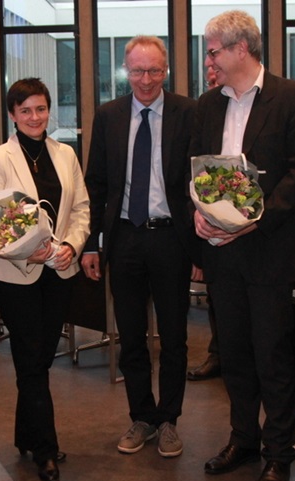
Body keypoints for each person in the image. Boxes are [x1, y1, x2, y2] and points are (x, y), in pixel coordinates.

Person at [190, 10, 295, 481]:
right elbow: (198, 174)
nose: (209, 60)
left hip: (272, 252)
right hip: (223, 255)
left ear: (240, 49)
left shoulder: (294, 97)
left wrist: (253, 220)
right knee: (236, 355)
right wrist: (199, 215)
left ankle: (278, 453)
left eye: (212, 51)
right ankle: (243, 439)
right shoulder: (208, 106)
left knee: (273, 356)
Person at [81, 36, 199, 458]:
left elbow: (200, 183)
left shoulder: (189, 113)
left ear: (166, 71)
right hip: (125, 239)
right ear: (125, 71)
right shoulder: (109, 115)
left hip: (172, 239)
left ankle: (169, 419)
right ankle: (142, 417)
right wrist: (93, 244)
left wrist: (200, 249)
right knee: (130, 336)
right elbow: (95, 184)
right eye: (136, 71)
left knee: (174, 337)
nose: (145, 80)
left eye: (153, 71)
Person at [0, 78, 90, 481]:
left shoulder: (65, 154)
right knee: (30, 358)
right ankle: (45, 449)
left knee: (40, 358)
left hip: (60, 270)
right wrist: (31, 250)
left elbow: (80, 209)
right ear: (12, 114)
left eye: (41, 109)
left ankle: (26, 435)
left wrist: (73, 247)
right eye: (25, 110)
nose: (34, 117)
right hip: (14, 273)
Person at [187, 66, 221, 382]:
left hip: (258, 234)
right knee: (218, 302)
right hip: (209, 229)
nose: (213, 75)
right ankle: (218, 353)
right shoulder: (206, 110)